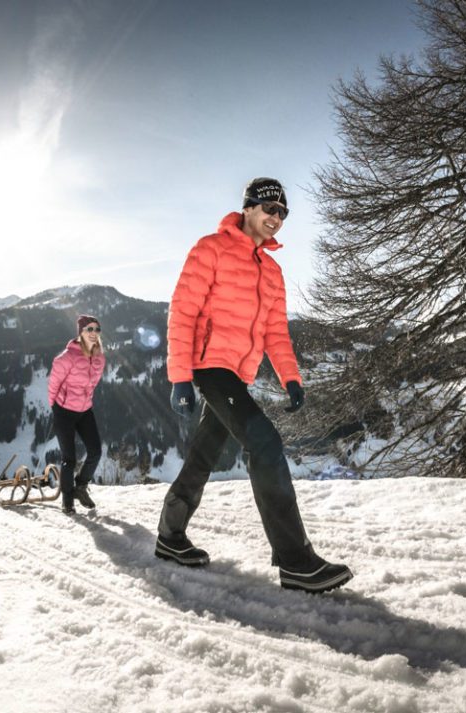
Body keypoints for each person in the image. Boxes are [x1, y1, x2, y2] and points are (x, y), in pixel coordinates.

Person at [156, 177, 353, 593]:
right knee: (264, 442)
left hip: (238, 374)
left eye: (283, 213)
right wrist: (180, 377)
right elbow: (183, 313)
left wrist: (291, 377)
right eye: (269, 208)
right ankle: (296, 561)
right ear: (247, 208)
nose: (276, 218)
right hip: (209, 366)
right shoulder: (210, 248)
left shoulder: (273, 271)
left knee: (204, 454)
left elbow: (276, 333)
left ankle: (170, 537)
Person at [48, 315, 106, 514]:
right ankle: (67, 499)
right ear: (81, 332)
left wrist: (84, 401)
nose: (94, 333)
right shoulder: (67, 357)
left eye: (97, 329)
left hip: (84, 411)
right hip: (64, 412)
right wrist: (55, 408)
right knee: (69, 459)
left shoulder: (99, 358)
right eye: (89, 329)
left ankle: (80, 487)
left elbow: (92, 384)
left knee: (96, 451)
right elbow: (53, 384)